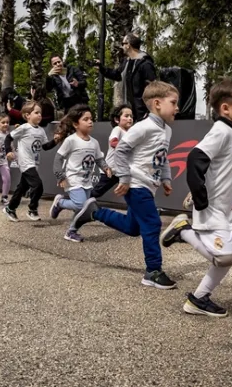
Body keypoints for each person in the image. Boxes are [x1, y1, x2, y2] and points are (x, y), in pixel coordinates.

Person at [159, 78, 232, 317]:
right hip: (214, 209)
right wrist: (200, 199)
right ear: (225, 108)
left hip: (229, 210)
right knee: (226, 256)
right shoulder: (221, 132)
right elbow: (194, 160)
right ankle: (183, 231)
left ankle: (198, 299)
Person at [69, 81, 179, 290]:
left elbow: (162, 158)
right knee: (153, 224)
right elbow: (120, 152)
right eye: (173, 102)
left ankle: (95, 213)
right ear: (157, 103)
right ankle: (153, 271)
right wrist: (126, 179)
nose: (177, 108)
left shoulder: (167, 131)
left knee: (133, 227)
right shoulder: (143, 127)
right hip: (137, 184)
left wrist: (166, 179)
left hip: (149, 185)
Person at [49, 104, 111, 243]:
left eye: (91, 119)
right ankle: (60, 203)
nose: (90, 122)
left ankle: (71, 231)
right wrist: (60, 175)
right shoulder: (71, 140)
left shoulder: (94, 142)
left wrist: (106, 167)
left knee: (81, 210)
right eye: (86, 119)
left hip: (87, 182)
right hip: (73, 179)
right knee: (80, 205)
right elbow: (58, 159)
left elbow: (98, 159)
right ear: (76, 124)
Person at [1, 101, 59, 222]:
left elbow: (45, 147)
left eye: (40, 113)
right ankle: (32, 209)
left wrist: (55, 141)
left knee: (22, 188)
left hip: (34, 163)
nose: (39, 115)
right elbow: (8, 137)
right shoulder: (24, 128)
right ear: (27, 115)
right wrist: (8, 151)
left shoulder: (41, 131)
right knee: (38, 186)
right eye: (36, 112)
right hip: (25, 162)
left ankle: (10, 208)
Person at [96, 33, 157, 121]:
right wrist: (101, 68)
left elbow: (153, 87)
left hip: (142, 112)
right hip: (129, 110)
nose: (122, 46)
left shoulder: (145, 64)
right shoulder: (126, 62)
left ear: (128, 45)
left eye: (123, 43)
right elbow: (117, 75)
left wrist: (148, 110)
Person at [91, 104, 133, 199]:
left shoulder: (130, 133)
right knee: (97, 192)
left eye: (131, 116)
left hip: (123, 171)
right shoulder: (117, 129)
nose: (130, 118)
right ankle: (80, 203)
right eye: (126, 116)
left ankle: (137, 210)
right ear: (117, 119)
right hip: (111, 170)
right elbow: (113, 142)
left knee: (131, 191)